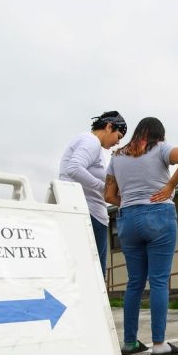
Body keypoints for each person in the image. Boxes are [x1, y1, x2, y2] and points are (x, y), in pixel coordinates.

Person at [105, 118, 178, 355]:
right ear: (158, 134)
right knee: (158, 281)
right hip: (158, 215)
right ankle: (159, 344)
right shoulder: (161, 148)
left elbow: (109, 195)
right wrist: (169, 187)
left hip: (127, 219)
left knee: (134, 282)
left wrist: (130, 202)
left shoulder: (117, 156)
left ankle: (129, 342)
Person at [59, 111, 127, 277]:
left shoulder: (87, 141)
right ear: (109, 126)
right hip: (88, 214)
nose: (117, 143)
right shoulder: (91, 141)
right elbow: (74, 168)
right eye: (118, 136)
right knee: (93, 275)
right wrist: (103, 187)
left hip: (86, 211)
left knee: (91, 273)